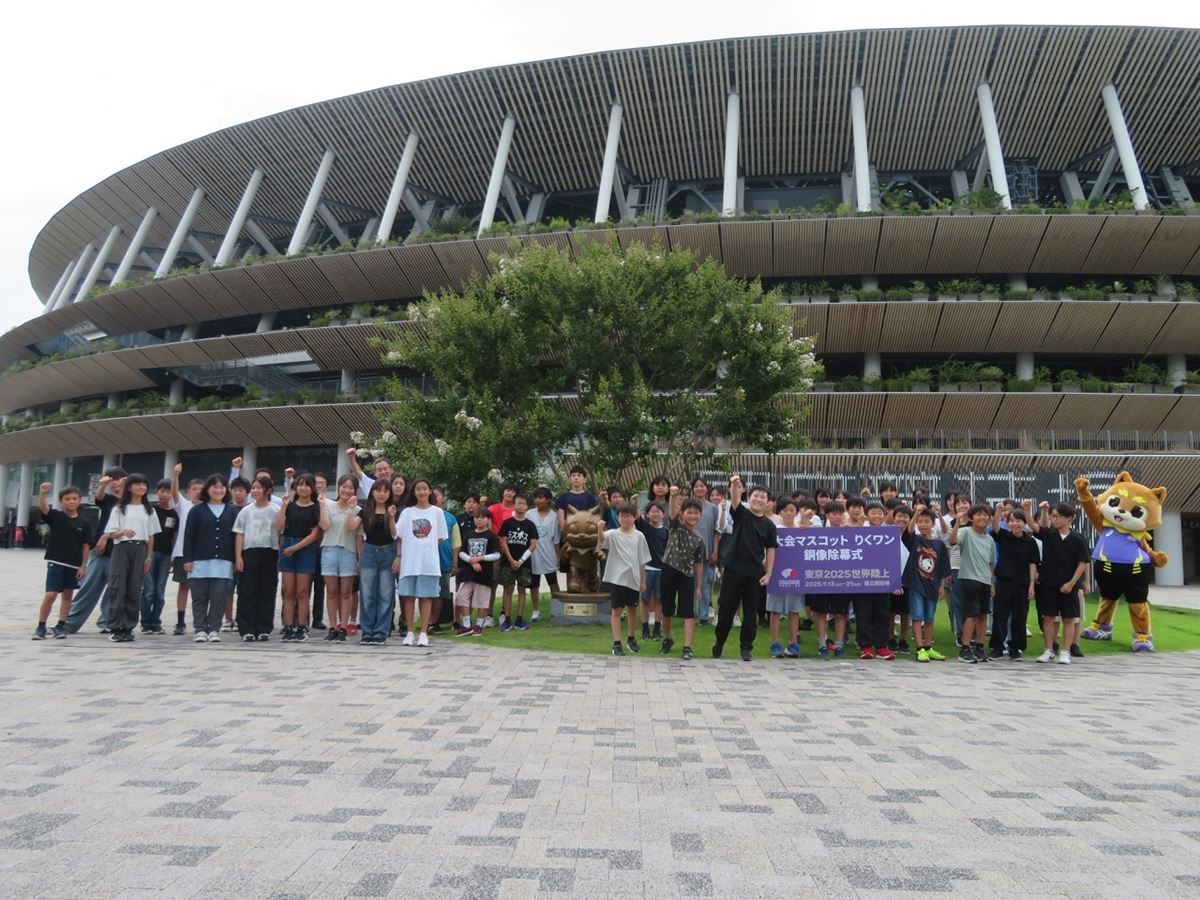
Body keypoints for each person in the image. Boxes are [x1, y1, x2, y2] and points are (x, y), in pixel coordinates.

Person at [713, 476, 777, 662]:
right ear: (749, 497)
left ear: (768, 502)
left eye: (763, 497)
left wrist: (769, 573)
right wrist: (735, 484)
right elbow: (734, 499)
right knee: (726, 609)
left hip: (754, 574)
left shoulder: (769, 525)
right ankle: (720, 641)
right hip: (733, 570)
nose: (759, 499)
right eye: (756, 496)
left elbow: (771, 549)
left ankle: (746, 647)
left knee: (750, 613)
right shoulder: (742, 514)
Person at [64, 466, 126, 633]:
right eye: (111, 479)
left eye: (117, 479)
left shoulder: (131, 503)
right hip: (101, 552)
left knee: (114, 591)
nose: (114, 483)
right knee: (88, 589)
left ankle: (106, 621)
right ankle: (69, 623)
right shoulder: (109, 500)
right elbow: (99, 497)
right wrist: (103, 485)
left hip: (120, 553)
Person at [102, 474, 161, 643]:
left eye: (144, 484)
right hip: (121, 548)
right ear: (129, 487)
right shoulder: (119, 509)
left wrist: (149, 557)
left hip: (140, 548)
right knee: (117, 587)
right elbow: (111, 533)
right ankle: (115, 627)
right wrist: (123, 532)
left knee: (134, 588)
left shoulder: (149, 510)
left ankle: (128, 627)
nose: (141, 487)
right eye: (137, 484)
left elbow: (151, 536)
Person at [32, 482, 94, 641]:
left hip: (74, 564)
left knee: (67, 595)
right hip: (56, 561)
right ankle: (40, 626)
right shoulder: (56, 516)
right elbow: (44, 508)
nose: (71, 501)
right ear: (61, 501)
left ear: (79, 500)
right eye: (67, 499)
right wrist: (42, 493)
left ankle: (60, 626)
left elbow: (86, 545)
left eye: (74, 498)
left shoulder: (84, 523)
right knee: (51, 594)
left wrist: (83, 566)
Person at [182, 474, 237, 643]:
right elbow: (189, 536)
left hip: (224, 561)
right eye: (214, 487)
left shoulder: (232, 511)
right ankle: (200, 629)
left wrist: (236, 559)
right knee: (199, 597)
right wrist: (187, 559)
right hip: (199, 561)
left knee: (219, 597)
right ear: (207, 489)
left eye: (222, 487)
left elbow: (236, 537)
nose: (218, 490)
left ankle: (214, 629)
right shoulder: (197, 510)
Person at [1035, 501, 1090, 664]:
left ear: (1070, 518)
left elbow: (1083, 562)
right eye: (1053, 516)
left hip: (1069, 586)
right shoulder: (1049, 534)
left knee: (1069, 618)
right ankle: (1049, 650)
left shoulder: (1078, 539)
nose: (1054, 519)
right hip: (1049, 584)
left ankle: (1066, 651)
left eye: (1058, 516)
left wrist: (1072, 583)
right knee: (1048, 618)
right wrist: (1041, 510)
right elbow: (1037, 526)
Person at [396, 479, 449, 646]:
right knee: (409, 598)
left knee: (426, 598)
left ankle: (424, 633)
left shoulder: (437, 512)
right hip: (409, 562)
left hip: (428, 563)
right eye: (418, 489)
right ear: (413, 492)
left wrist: (425, 547)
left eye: (425, 488)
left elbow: (440, 538)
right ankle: (410, 632)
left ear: (430, 491)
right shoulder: (407, 512)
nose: (422, 492)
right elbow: (397, 534)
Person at [658, 487, 706, 659]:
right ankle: (667, 638)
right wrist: (672, 496)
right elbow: (671, 513)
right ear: (682, 514)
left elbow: (699, 564)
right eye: (689, 512)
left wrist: (699, 586)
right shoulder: (676, 527)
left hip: (687, 575)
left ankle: (687, 647)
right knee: (667, 609)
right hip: (669, 570)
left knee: (688, 611)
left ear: (700, 515)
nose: (693, 516)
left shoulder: (699, 539)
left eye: (696, 513)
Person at [233, 475, 281, 642]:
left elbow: (281, 532)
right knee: (247, 591)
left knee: (267, 591)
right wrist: (238, 556)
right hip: (249, 553)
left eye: (259, 488)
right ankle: (246, 628)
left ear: (268, 490)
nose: (255, 491)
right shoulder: (246, 511)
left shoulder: (276, 509)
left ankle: (264, 628)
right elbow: (239, 534)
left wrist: (280, 557)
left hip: (270, 552)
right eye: (253, 488)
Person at [276, 473, 322, 642]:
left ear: (313, 488)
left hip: (305, 548)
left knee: (303, 591)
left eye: (307, 485)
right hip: (288, 544)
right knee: (288, 591)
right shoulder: (290, 506)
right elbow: (279, 526)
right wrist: (284, 506)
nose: (303, 488)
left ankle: (302, 626)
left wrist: (295, 548)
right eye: (300, 484)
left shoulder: (316, 507)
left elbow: (315, 534)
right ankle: (289, 626)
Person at [989, 506, 1040, 660]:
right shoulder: (1004, 536)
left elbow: (1033, 564)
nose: (1015, 524)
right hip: (1004, 582)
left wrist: (1032, 584)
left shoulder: (1030, 541)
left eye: (1018, 521)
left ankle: (1016, 648)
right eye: (1011, 521)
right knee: (1000, 615)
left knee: (1020, 617)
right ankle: (997, 647)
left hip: (1022, 584)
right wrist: (998, 512)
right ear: (1007, 522)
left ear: (1024, 522)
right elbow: (995, 527)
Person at [948, 503, 996, 664]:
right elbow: (952, 541)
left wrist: (992, 583)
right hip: (969, 579)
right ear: (971, 518)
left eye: (985, 515)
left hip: (985, 581)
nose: (982, 517)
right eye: (978, 514)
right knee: (971, 615)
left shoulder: (989, 539)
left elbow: (990, 563)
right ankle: (965, 648)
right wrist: (957, 522)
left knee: (983, 615)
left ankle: (980, 648)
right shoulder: (965, 532)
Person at [901, 507, 950, 662]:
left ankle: (928, 647)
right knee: (917, 616)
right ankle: (920, 649)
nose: (923, 524)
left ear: (933, 524)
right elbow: (908, 531)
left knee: (929, 618)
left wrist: (941, 585)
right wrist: (916, 514)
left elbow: (942, 567)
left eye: (926, 522)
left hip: (932, 585)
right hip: (916, 584)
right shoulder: (915, 540)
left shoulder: (939, 545)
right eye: (920, 522)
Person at [602, 502, 651, 656]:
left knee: (632, 609)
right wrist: (598, 528)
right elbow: (601, 539)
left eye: (628, 516)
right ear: (617, 517)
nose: (625, 519)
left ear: (634, 517)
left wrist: (643, 580)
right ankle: (616, 643)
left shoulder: (639, 536)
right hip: (617, 578)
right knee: (617, 610)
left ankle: (631, 638)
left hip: (634, 578)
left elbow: (642, 560)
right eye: (622, 516)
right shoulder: (613, 534)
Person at [320, 474, 363, 642]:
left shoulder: (358, 510)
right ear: (338, 487)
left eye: (350, 487)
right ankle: (332, 626)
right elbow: (324, 525)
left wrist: (360, 559)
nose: (346, 490)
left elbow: (354, 532)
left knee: (346, 592)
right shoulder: (328, 505)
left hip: (348, 552)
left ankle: (344, 626)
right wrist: (322, 505)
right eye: (343, 486)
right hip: (329, 550)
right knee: (331, 592)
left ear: (355, 490)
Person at [357, 478, 398, 644]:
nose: (381, 494)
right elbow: (350, 527)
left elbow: (395, 534)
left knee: (386, 594)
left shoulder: (393, 509)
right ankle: (367, 631)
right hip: (369, 552)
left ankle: (381, 631)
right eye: (378, 490)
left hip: (388, 551)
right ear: (372, 492)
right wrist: (351, 509)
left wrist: (391, 517)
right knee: (367, 594)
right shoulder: (365, 510)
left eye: (385, 491)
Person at [853, 502, 896, 660]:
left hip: (883, 579)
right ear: (867, 515)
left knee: (882, 614)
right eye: (873, 513)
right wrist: (859, 525)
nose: (877, 516)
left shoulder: (889, 533)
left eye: (880, 513)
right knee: (863, 613)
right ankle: (865, 646)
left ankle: (882, 647)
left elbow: (895, 558)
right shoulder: (860, 530)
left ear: (884, 515)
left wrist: (895, 581)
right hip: (863, 579)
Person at [765, 497, 806, 659]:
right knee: (775, 610)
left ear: (796, 512)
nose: (789, 513)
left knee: (793, 611)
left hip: (796, 576)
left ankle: (793, 643)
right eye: (785, 510)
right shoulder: (774, 529)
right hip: (776, 574)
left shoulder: (801, 530)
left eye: (792, 510)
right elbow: (767, 550)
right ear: (780, 512)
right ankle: (775, 644)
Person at [810, 501, 851, 658]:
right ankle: (822, 644)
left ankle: (839, 645)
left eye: (840, 514)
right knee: (821, 612)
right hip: (822, 578)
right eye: (834, 514)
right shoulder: (818, 533)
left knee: (840, 614)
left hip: (842, 579)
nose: (838, 517)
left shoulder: (849, 532)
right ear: (827, 515)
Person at [139, 478, 179, 635]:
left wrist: (173, 557)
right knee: (148, 590)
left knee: (160, 591)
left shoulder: (174, 514)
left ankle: (156, 622)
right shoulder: (150, 510)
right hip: (149, 554)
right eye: (162, 491)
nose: (165, 494)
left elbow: (174, 536)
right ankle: (145, 622)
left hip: (166, 555)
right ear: (157, 492)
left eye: (168, 491)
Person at [453, 508, 501, 636]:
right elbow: (462, 552)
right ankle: (467, 625)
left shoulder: (492, 536)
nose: (479, 520)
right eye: (476, 517)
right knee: (461, 597)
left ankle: (479, 626)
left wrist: (481, 558)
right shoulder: (469, 535)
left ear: (488, 519)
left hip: (484, 574)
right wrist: (471, 560)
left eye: (482, 517)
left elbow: (497, 554)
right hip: (468, 573)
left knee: (481, 600)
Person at [170, 466, 204, 635]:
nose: (197, 492)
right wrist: (175, 475)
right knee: (183, 586)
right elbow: (174, 493)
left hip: (203, 554)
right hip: (183, 553)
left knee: (202, 589)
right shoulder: (184, 505)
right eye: (194, 489)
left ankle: (202, 620)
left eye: (201, 489)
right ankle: (180, 621)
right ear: (189, 492)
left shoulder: (209, 507)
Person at [498, 493, 539, 631]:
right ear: (514, 505)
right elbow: (504, 542)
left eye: (523, 503)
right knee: (508, 589)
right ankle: (507, 619)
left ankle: (519, 619)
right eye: (518, 503)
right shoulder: (507, 523)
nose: (521, 506)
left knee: (522, 590)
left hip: (524, 563)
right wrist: (511, 560)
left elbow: (533, 544)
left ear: (527, 506)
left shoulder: (530, 525)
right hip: (508, 562)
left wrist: (521, 560)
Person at [688, 478, 722, 626]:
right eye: (696, 486)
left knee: (705, 585)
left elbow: (716, 531)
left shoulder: (713, 508)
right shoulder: (688, 505)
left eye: (702, 486)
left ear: (706, 489)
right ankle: (690, 614)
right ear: (693, 489)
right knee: (689, 584)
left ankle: (703, 616)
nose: (699, 488)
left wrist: (715, 551)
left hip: (707, 552)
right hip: (689, 552)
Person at [222, 476, 252, 631]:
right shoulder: (226, 509)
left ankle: (241, 618)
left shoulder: (251, 509)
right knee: (227, 589)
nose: (237, 493)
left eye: (241, 490)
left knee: (244, 589)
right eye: (234, 490)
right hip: (228, 555)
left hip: (247, 554)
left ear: (247, 492)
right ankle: (228, 619)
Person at [635, 500, 669, 641]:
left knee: (659, 600)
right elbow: (637, 517)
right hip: (647, 568)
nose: (655, 514)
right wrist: (634, 503)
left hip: (661, 569)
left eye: (658, 511)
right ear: (647, 514)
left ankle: (656, 628)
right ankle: (645, 628)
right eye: (652, 511)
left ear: (663, 514)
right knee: (645, 599)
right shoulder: (645, 528)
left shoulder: (666, 531)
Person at [528, 487, 561, 620]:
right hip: (533, 555)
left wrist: (558, 557)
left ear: (548, 500)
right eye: (536, 497)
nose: (537, 500)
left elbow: (556, 540)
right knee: (534, 584)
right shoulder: (529, 514)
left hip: (549, 554)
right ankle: (536, 611)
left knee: (553, 583)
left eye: (541, 498)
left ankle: (557, 610)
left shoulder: (554, 517)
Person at [430, 486, 460, 632]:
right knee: (427, 592)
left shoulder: (451, 518)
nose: (434, 497)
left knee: (441, 592)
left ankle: (434, 622)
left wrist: (454, 563)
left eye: (437, 495)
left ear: (444, 498)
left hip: (444, 560)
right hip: (427, 561)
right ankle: (425, 620)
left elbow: (456, 543)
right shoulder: (424, 514)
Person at [555, 466, 598, 532]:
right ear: (570, 479)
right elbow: (561, 519)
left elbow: (591, 516)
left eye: (579, 476)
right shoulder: (563, 497)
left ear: (585, 480)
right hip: (568, 533)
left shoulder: (590, 497)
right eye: (573, 475)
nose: (576, 478)